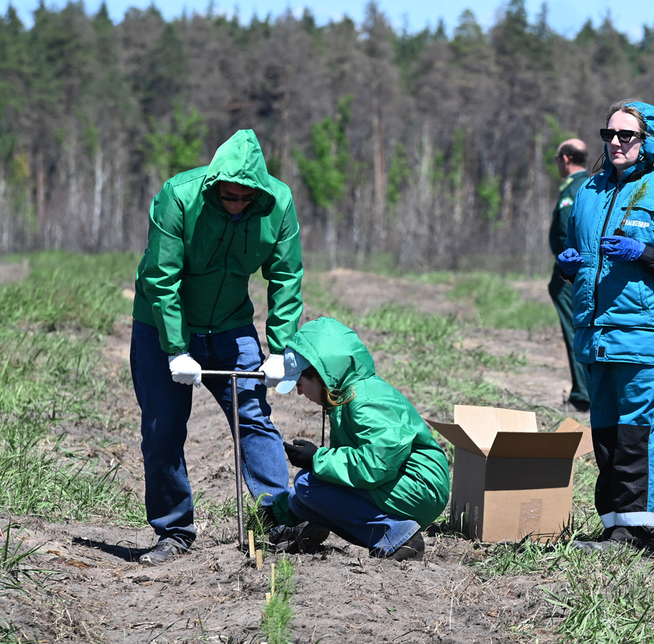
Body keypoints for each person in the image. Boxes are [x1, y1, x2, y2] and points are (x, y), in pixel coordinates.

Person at [130, 129, 304, 565]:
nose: (237, 205)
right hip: (163, 326)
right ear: (214, 186)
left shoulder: (279, 204)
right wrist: (175, 348)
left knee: (253, 415)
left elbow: (285, 278)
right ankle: (173, 531)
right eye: (229, 197)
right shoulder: (179, 197)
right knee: (163, 429)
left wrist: (281, 351)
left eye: (247, 200)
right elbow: (160, 278)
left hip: (230, 325)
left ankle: (278, 516)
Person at [556, 99, 654, 553]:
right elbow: (580, 252)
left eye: (627, 135)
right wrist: (569, 265)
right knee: (604, 431)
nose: (616, 143)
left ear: (648, 143)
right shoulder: (589, 191)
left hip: (642, 331)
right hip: (596, 332)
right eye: (609, 135)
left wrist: (643, 254)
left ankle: (638, 533)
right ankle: (613, 526)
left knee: (635, 430)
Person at [265, 317, 450, 560]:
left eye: (300, 383)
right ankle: (318, 520)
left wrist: (317, 458)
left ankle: (399, 537)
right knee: (302, 500)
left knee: (307, 484)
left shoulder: (364, 399)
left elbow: (377, 464)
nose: (299, 392)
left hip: (419, 485)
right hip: (401, 483)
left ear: (320, 375)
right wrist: (282, 512)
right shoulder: (343, 399)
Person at [548, 138, 591, 411]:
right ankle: (585, 389)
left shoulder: (573, 190)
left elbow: (566, 233)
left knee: (576, 329)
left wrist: (567, 268)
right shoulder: (590, 185)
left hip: (571, 272)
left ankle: (584, 392)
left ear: (565, 159)